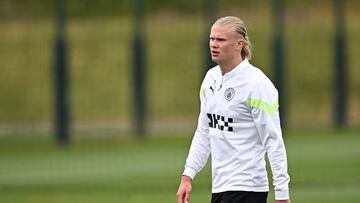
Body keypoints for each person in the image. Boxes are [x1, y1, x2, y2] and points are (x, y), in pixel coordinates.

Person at [176, 16, 291, 203]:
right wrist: (187, 176)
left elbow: (273, 140)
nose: (214, 44)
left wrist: (282, 193)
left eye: (220, 40)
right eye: (212, 38)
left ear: (239, 44)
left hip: (248, 187)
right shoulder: (210, 79)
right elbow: (205, 131)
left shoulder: (257, 84)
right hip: (220, 187)